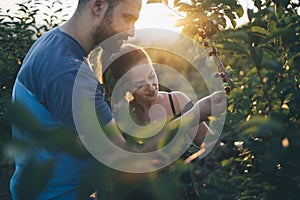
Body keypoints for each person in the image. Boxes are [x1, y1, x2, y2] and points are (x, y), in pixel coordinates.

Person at [10, 0, 143, 199]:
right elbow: (121, 161)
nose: (132, 32)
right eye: (127, 18)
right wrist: (197, 113)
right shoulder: (68, 71)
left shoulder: (53, 43)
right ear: (98, 6)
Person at [102, 43, 225, 161]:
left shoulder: (176, 102)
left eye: (151, 76)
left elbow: (211, 145)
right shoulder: (123, 117)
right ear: (125, 87)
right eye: (139, 84)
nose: (151, 87)